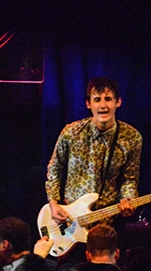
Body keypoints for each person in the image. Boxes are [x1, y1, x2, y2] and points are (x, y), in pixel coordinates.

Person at [45, 77, 142, 229]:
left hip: (106, 222)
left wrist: (128, 200)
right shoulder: (71, 132)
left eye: (108, 99)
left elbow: (130, 179)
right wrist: (53, 203)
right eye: (97, 99)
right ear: (88, 104)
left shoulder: (132, 137)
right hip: (70, 221)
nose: (103, 105)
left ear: (118, 102)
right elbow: (55, 168)